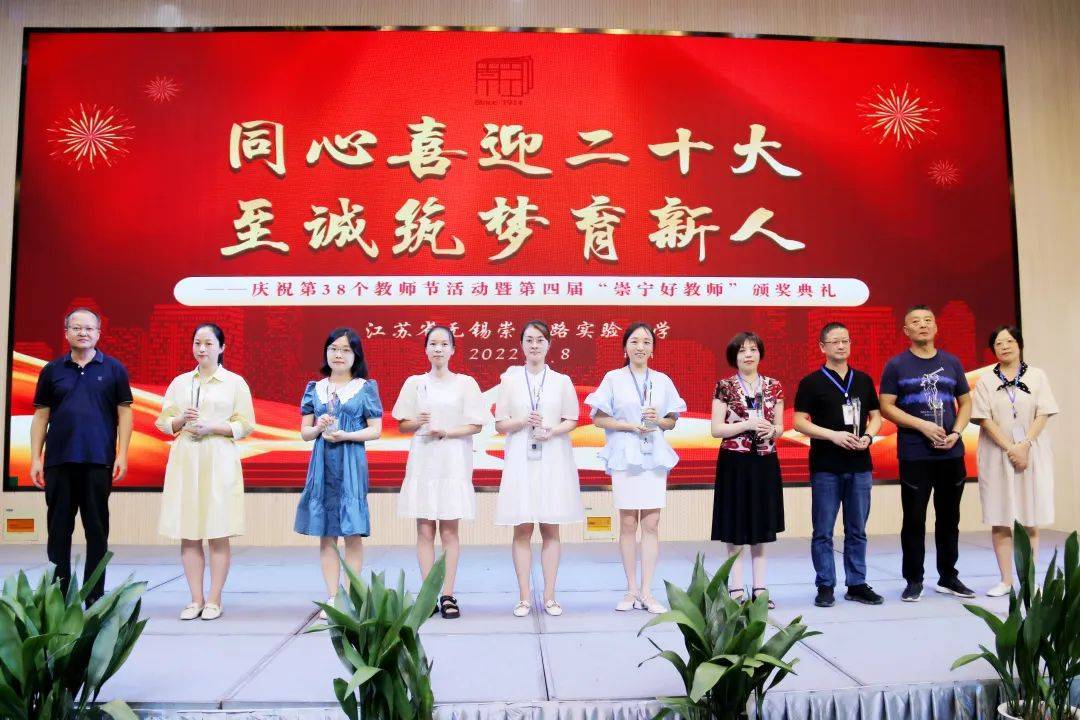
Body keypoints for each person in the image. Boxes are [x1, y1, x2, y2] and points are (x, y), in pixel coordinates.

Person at [29, 307, 133, 604]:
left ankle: (94, 598)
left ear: (98, 333)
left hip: (98, 461)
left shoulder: (114, 369)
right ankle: (58, 599)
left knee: (97, 532)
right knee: (58, 532)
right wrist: (36, 458)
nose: (83, 333)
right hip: (59, 461)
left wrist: (122, 454)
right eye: (77, 328)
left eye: (89, 328)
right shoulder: (52, 370)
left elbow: (124, 414)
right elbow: (41, 416)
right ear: (66, 333)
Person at [155, 323, 255, 621]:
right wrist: (180, 421)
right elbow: (164, 422)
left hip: (218, 457)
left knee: (217, 531)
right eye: (197, 343)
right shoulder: (180, 382)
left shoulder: (234, 383)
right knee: (189, 532)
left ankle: (214, 599)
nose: (202, 349)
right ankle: (195, 598)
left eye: (209, 343)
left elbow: (245, 424)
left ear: (222, 347)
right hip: (186, 457)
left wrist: (213, 426)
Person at [585, 322, 685, 614]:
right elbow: (598, 418)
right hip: (625, 456)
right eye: (635, 342)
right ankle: (630, 590)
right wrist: (628, 425)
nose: (640, 347)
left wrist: (658, 421)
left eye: (646, 342)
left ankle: (647, 591)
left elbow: (672, 420)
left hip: (654, 456)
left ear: (653, 349)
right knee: (628, 523)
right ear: (625, 347)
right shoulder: (613, 378)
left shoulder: (662, 380)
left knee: (651, 524)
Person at [393, 325, 491, 619]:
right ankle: (428, 596)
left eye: (444, 344)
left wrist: (446, 431)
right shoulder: (414, 383)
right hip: (424, 460)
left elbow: (477, 424)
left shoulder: (465, 384)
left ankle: (447, 594)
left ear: (452, 350)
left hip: (452, 460)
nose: (438, 349)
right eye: (433, 344)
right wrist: (418, 421)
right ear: (426, 349)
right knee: (425, 530)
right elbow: (402, 424)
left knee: (449, 530)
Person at [880, 305, 974, 602]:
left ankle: (948, 576)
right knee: (914, 519)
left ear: (936, 327)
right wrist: (922, 426)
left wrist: (956, 433)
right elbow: (886, 406)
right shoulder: (896, 365)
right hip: (915, 453)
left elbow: (966, 403)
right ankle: (914, 580)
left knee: (949, 518)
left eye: (928, 320)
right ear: (906, 330)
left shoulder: (951, 362)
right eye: (916, 321)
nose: (923, 325)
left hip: (950, 452)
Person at [494, 320, 584, 617]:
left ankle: (549, 597)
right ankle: (523, 597)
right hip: (520, 459)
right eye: (529, 340)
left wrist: (552, 431)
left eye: (540, 340)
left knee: (550, 527)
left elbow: (572, 419)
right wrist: (523, 422)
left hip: (553, 459)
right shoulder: (510, 380)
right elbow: (500, 424)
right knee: (522, 528)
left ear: (549, 345)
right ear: (521, 344)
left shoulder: (561, 381)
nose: (534, 345)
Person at [793, 322, 884, 608]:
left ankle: (856, 583)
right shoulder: (811, 382)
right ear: (822, 347)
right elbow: (798, 421)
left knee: (857, 529)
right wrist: (833, 435)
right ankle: (825, 585)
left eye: (845, 340)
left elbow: (876, 416)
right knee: (823, 531)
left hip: (860, 465)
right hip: (826, 466)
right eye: (835, 341)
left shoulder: (863, 380)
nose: (841, 346)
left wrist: (868, 436)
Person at [294, 328, 383, 616]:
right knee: (327, 532)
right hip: (323, 463)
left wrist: (346, 435)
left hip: (351, 461)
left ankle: (351, 597)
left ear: (356, 355)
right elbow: (305, 433)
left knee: (352, 532)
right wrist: (318, 427)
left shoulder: (364, 388)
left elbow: (376, 430)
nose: (339, 354)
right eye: (333, 348)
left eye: (345, 349)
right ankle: (333, 596)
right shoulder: (315, 388)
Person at [971, 325, 1058, 597]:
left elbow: (1043, 413)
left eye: (1009, 341)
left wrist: (1025, 445)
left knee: (1029, 517)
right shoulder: (985, 380)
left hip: (1031, 452)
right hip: (996, 454)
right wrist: (1011, 448)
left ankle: (1029, 580)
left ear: (1019, 344)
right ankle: (1006, 581)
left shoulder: (1037, 376)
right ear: (993, 349)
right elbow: (983, 418)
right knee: (1000, 518)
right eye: (999, 343)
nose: (1005, 346)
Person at [710, 331, 785, 609]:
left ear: (760, 353)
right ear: (734, 356)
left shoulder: (774, 386)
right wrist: (747, 425)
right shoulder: (725, 386)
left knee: (761, 525)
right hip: (734, 462)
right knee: (735, 527)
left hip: (765, 461)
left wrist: (772, 430)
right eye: (742, 350)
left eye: (753, 349)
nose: (748, 355)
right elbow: (716, 429)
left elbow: (781, 427)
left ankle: (760, 589)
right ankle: (736, 590)